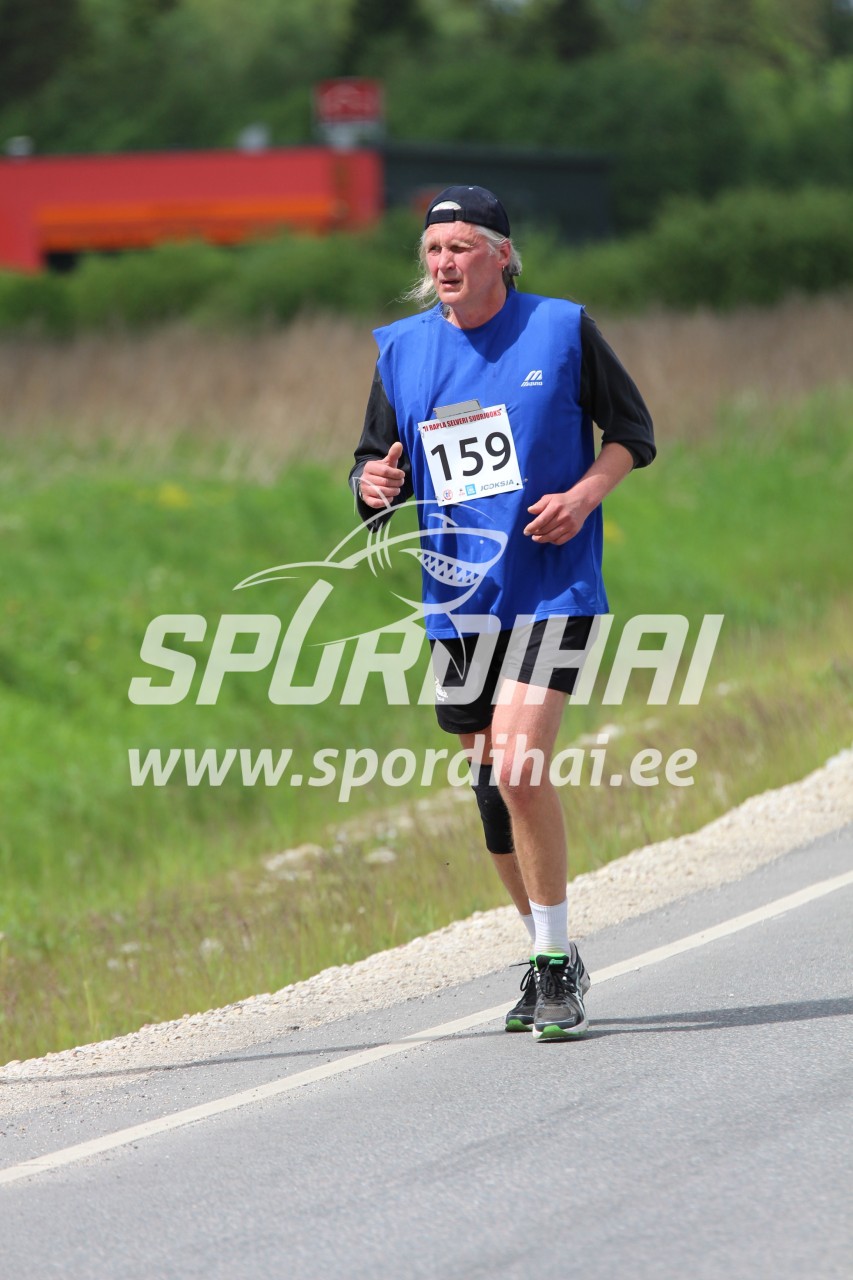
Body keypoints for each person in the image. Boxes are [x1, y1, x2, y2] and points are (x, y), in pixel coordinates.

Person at [348, 185, 655, 1041]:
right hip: (460, 601)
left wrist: (584, 496)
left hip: (550, 585)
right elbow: (375, 466)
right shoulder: (401, 350)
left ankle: (553, 966)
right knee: (492, 795)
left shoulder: (560, 329)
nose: (444, 262)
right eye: (433, 249)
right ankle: (545, 948)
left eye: (460, 246)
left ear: (501, 255)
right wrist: (370, 483)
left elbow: (632, 433)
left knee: (519, 767)